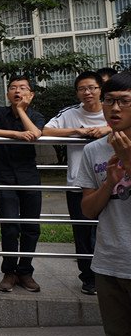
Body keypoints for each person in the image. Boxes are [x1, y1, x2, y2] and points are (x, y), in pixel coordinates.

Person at [76, 71, 131, 336]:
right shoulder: (93, 151)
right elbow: (88, 209)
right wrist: (109, 183)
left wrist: (128, 162)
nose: (115, 108)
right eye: (109, 101)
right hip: (108, 263)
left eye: (124, 101)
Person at [42, 71, 110, 295]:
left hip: (112, 182)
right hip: (78, 183)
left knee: (111, 230)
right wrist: (76, 132)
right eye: (82, 89)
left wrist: (106, 129)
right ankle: (89, 279)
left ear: (101, 89)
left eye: (92, 88)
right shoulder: (70, 113)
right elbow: (46, 130)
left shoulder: (111, 109)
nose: (87, 92)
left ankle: (111, 277)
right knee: (83, 233)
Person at [0, 76, 46, 293]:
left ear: (31, 94)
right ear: (7, 93)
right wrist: (16, 134)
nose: (17, 91)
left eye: (23, 88)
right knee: (9, 227)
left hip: (29, 176)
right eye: (13, 88)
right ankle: (9, 272)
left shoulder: (35, 115)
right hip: (4, 176)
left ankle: (25, 271)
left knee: (31, 227)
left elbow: (35, 133)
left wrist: (21, 111)